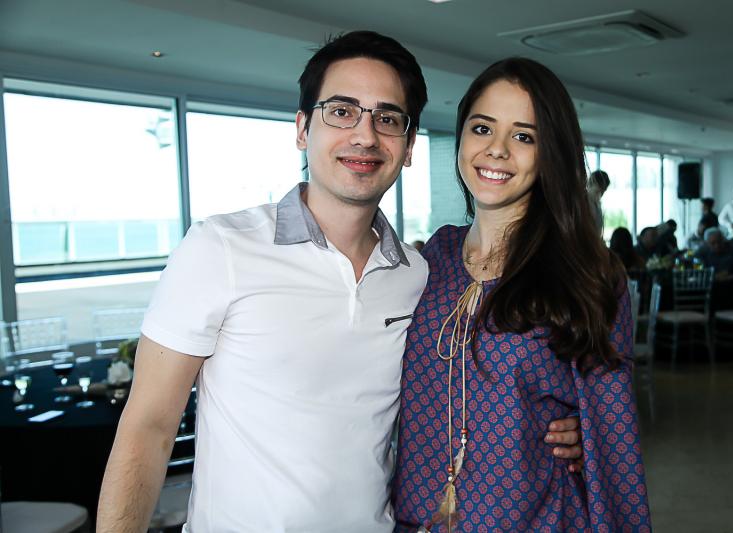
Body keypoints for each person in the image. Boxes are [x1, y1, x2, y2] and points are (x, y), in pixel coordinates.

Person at [96, 32, 580, 532]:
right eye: (342, 111)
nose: (365, 136)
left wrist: (573, 428)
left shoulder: (419, 274)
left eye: (387, 119)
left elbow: (463, 380)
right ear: (302, 128)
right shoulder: (220, 248)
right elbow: (148, 428)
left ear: (408, 146)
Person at [392, 57, 650, 531]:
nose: (497, 149)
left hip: (536, 520)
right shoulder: (433, 258)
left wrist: (589, 434)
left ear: (551, 153)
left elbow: (615, 441)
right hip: (418, 519)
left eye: (524, 137)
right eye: (482, 128)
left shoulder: (586, 273)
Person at [587, 169, 610, 235]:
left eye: (602, 192)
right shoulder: (582, 205)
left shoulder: (597, 205)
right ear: (589, 184)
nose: (600, 196)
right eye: (597, 192)